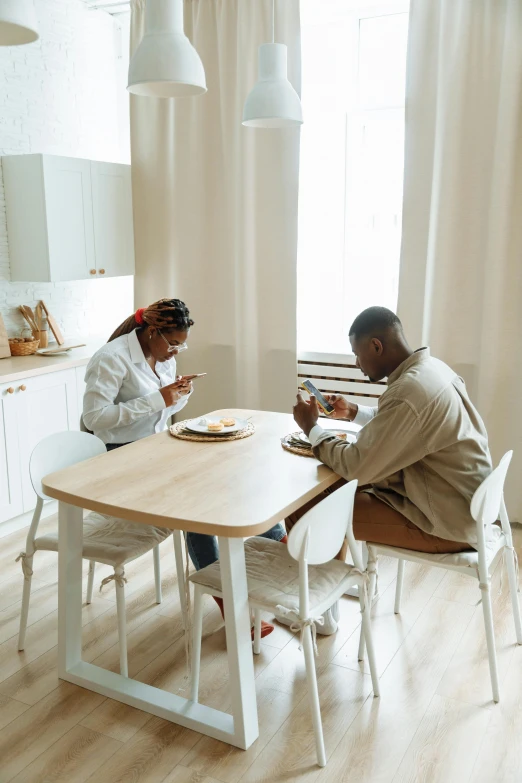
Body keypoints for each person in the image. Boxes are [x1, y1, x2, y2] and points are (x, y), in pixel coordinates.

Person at [83, 297, 285, 638]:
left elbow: (160, 409)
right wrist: (158, 399)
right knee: (198, 504)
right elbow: (94, 419)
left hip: (155, 450)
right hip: (119, 461)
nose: (176, 352)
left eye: (182, 344)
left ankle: (282, 552)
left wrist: (179, 394)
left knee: (231, 475)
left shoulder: (161, 356)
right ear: (152, 332)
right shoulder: (110, 359)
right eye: (173, 343)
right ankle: (231, 606)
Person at [291, 306, 493, 556]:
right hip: (464, 506)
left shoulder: (409, 392)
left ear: (376, 346)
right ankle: (329, 580)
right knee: (332, 491)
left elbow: (357, 466)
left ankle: (316, 589)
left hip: (447, 524)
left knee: (305, 509)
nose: (357, 364)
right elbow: (404, 424)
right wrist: (353, 411)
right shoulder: (432, 369)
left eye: (357, 354)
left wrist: (311, 427)